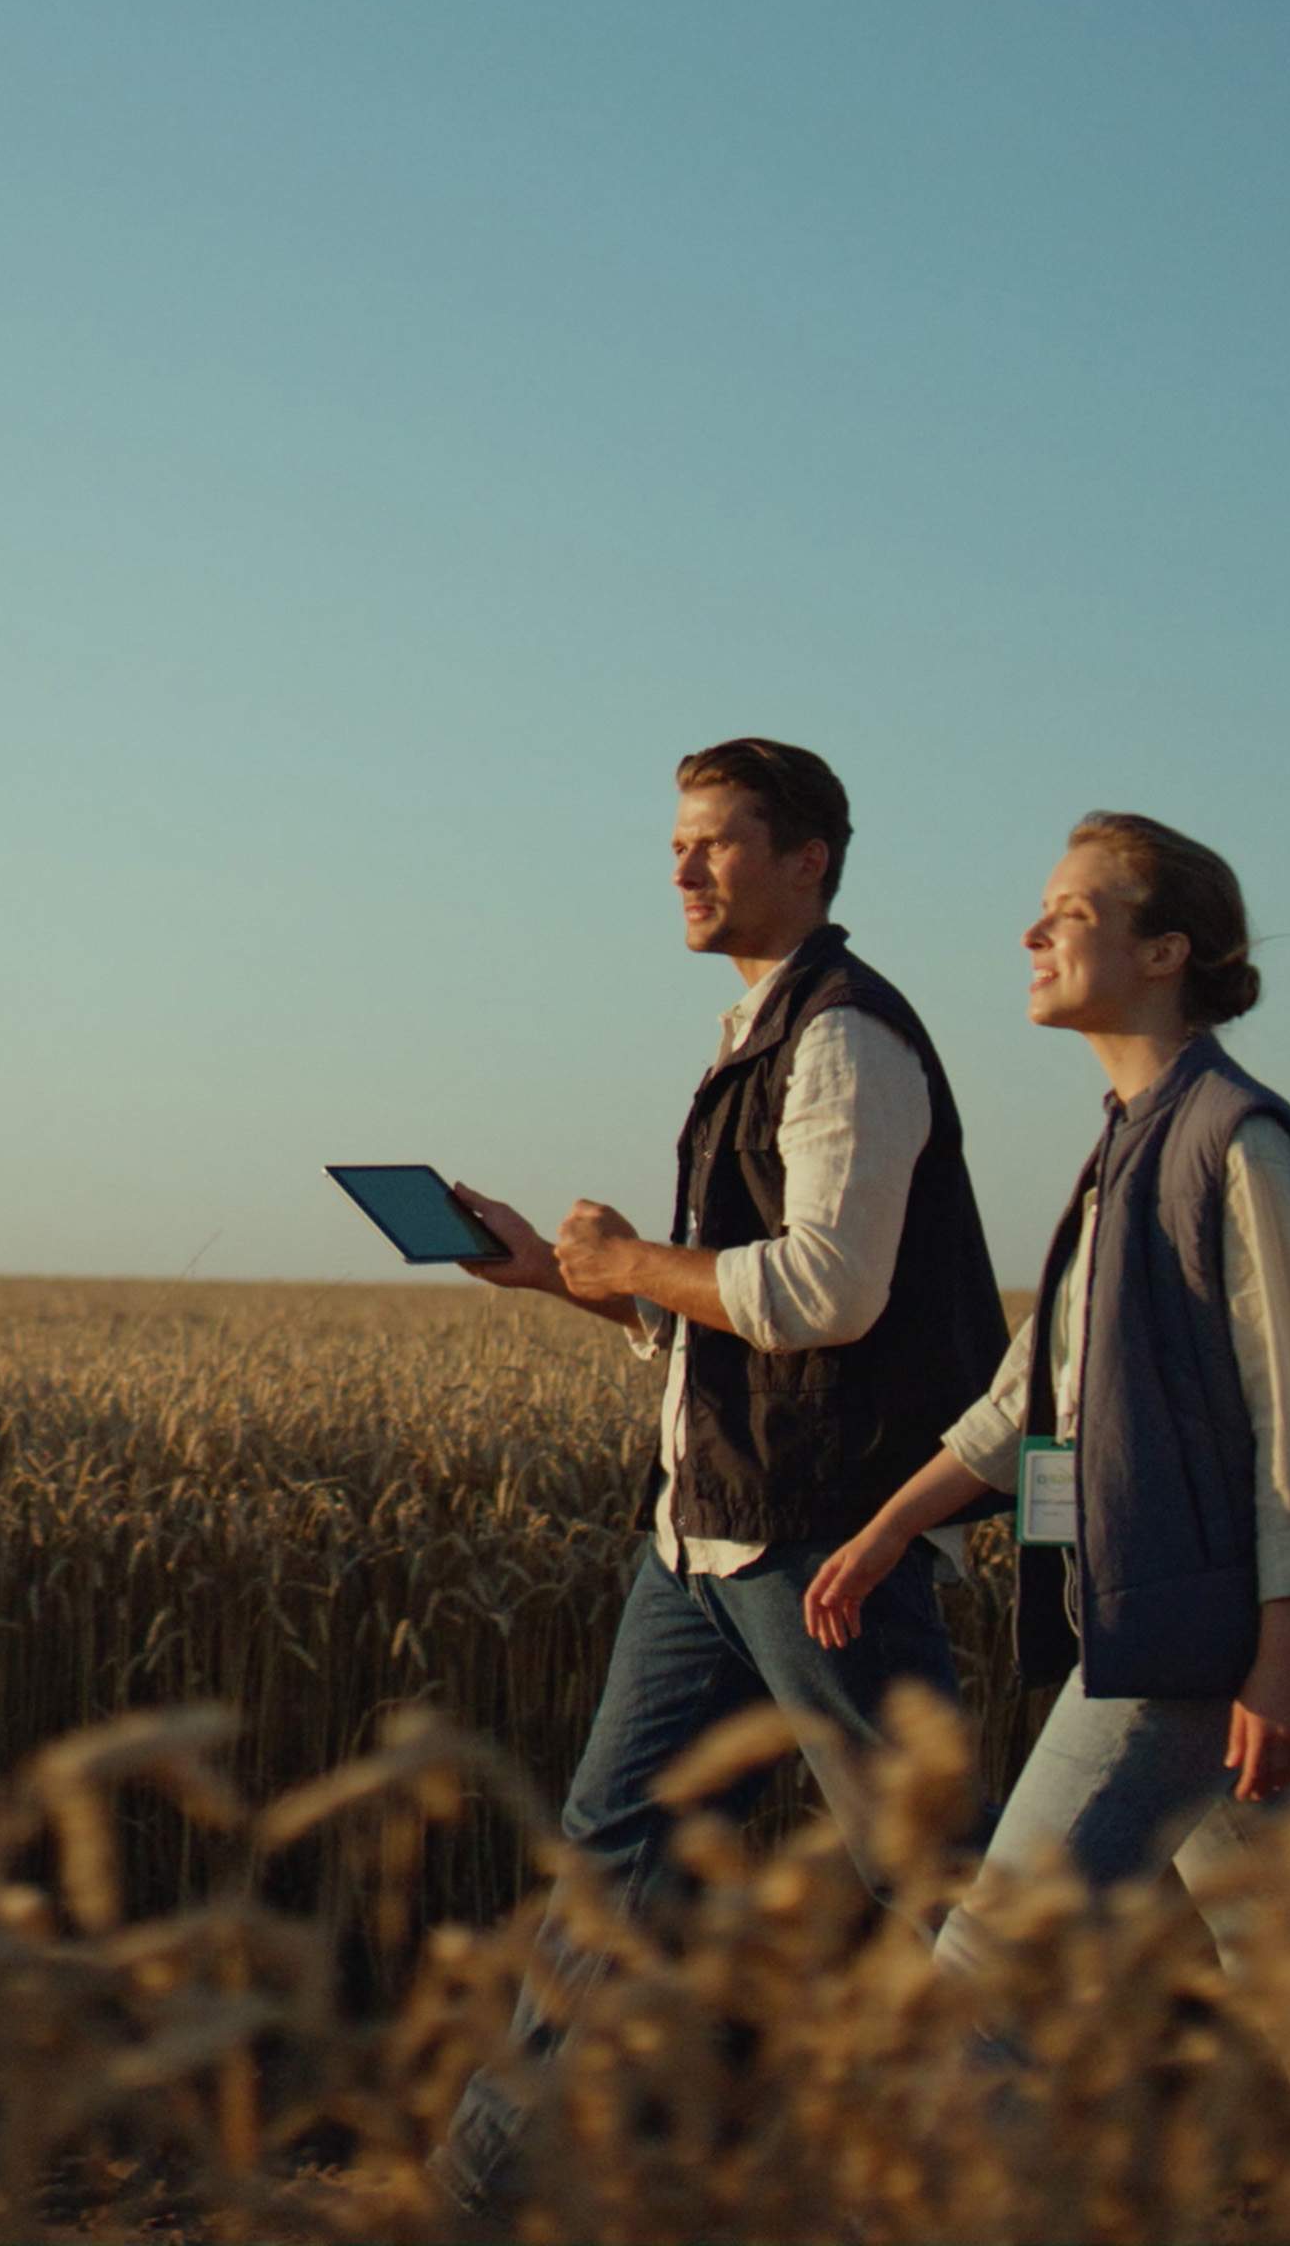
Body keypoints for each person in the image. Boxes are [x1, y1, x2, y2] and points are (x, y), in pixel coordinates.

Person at [429, 737, 1008, 2214]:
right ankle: (478, 2201)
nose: (683, 869)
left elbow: (827, 1294)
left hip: (822, 1541)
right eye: (677, 845)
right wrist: (571, 1284)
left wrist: (630, 1256)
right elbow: (733, 1335)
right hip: (706, 1541)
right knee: (611, 1863)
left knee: (929, 1873)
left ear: (808, 859)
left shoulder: (846, 1039)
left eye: (717, 843)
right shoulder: (758, 1031)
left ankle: (1079, 2151)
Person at [801, 811, 1290, 2005]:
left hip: (1190, 1640)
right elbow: (1034, 1395)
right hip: (1174, 1623)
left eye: (1070, 912)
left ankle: (972, 2200)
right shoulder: (1129, 1146)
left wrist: (1286, 1657)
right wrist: (891, 1527)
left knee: (983, 1985)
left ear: (1164, 952)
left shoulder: (1236, 1144)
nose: (1031, 931)